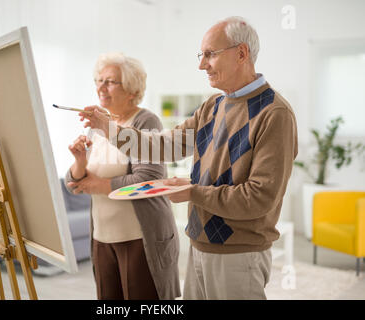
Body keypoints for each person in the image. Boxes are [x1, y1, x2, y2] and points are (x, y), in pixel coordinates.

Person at [78, 16, 298, 300]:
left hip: (238, 253)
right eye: (201, 55)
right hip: (199, 245)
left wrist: (194, 192)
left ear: (241, 53)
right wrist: (108, 128)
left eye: (210, 54)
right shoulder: (213, 106)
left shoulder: (274, 114)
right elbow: (164, 146)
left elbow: (259, 198)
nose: (201, 64)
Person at [65, 52, 181, 300]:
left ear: (131, 89)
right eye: (99, 80)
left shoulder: (145, 121)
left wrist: (96, 185)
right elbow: (74, 185)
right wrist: (79, 161)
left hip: (139, 238)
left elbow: (147, 179)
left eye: (110, 81)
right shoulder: (97, 124)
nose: (101, 87)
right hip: (102, 239)